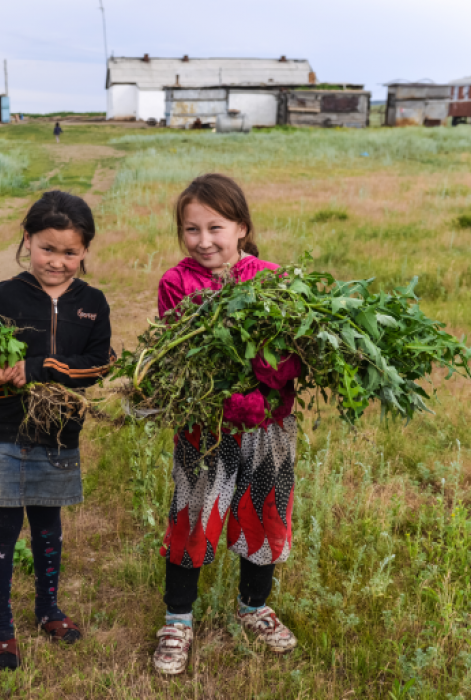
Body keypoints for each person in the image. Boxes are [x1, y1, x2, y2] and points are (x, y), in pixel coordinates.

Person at [152, 173, 303, 675]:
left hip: (268, 427)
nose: (203, 241)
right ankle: (177, 620)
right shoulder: (177, 283)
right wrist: (228, 398)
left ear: (241, 227)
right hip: (206, 426)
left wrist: (267, 389)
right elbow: (186, 362)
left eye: (215, 227)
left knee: (263, 513)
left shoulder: (275, 279)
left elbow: (290, 357)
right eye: (191, 230)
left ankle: (254, 608)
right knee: (192, 516)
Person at [0, 190, 113, 671]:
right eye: (47, 249)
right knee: (2, 531)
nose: (58, 261)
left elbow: (97, 366)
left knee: (48, 529)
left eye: (70, 252)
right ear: (27, 240)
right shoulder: (0, 298)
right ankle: (0, 625)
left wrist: (39, 366)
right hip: (3, 433)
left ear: (86, 250)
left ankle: (48, 610)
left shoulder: (93, 304)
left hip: (59, 438)